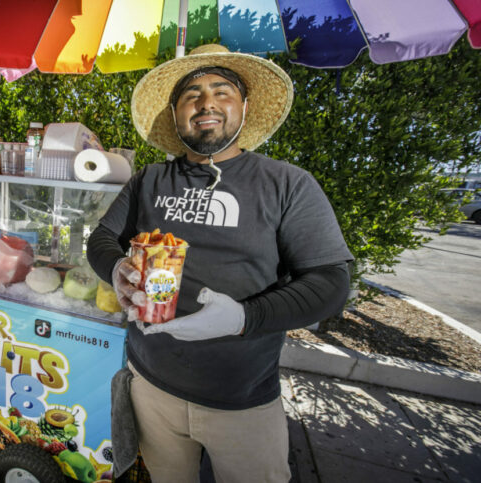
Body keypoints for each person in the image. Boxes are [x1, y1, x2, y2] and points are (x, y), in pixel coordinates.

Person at [87, 44, 353, 482]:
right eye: (191, 94)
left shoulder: (286, 183)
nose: (206, 102)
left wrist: (244, 318)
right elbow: (102, 239)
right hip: (149, 386)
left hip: (242, 401)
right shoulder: (150, 179)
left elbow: (330, 281)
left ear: (244, 108)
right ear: (176, 113)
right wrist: (116, 269)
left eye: (221, 91)